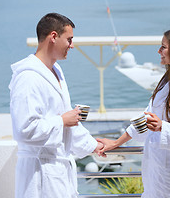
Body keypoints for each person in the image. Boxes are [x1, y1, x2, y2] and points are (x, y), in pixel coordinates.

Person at [97, 28, 170, 198]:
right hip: (156, 179)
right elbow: (146, 120)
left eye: (163, 47)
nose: (159, 51)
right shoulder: (167, 82)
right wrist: (116, 143)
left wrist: (163, 128)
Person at [9, 13, 104, 198]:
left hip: (58, 172)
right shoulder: (28, 77)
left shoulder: (56, 72)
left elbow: (68, 124)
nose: (72, 45)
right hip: (38, 176)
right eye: (69, 39)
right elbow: (24, 130)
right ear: (53, 36)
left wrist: (94, 144)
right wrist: (61, 121)